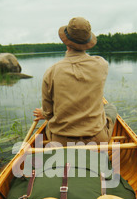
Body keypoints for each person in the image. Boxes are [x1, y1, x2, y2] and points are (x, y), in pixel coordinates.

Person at [33, 17, 117, 145]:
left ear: (66, 42)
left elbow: (49, 114)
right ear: (88, 42)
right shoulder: (102, 65)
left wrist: (44, 114)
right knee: (110, 108)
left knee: (49, 124)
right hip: (96, 139)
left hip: (60, 141)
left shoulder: (51, 71)